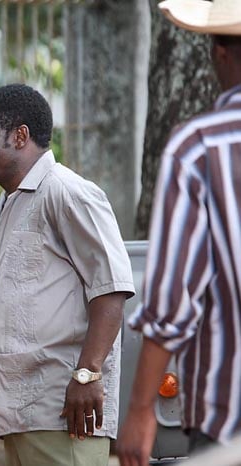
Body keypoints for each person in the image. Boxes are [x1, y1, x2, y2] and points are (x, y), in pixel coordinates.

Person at [0, 84, 135, 466]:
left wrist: (87, 375)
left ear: (19, 136)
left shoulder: (67, 192)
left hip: (63, 408)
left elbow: (111, 291)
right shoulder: (10, 200)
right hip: (22, 411)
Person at [117, 1, 241, 464]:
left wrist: (141, 408)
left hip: (228, 416)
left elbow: (173, 301)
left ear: (219, 52)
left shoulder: (199, 147)